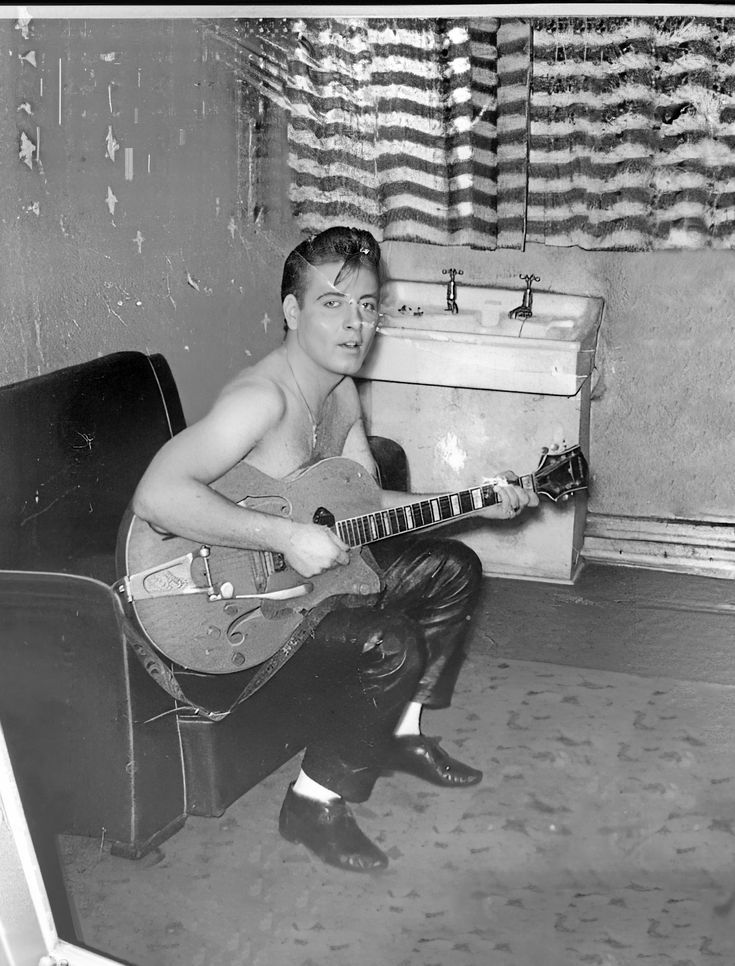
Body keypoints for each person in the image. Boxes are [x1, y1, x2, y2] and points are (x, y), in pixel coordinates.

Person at [131, 226, 538, 873]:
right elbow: (156, 496)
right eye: (332, 304)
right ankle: (312, 804)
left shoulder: (340, 391)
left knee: (452, 569)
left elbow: (367, 508)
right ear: (292, 312)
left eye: (367, 305)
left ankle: (400, 735)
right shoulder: (259, 401)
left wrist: (473, 498)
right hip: (234, 606)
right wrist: (284, 534)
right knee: (389, 641)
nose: (355, 324)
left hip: (308, 580)